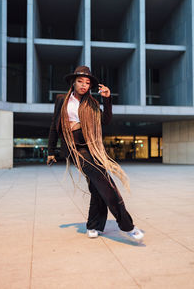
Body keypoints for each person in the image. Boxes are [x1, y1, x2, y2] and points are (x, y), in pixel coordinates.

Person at [47, 66, 144, 241]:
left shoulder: (91, 103)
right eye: (80, 81)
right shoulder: (62, 100)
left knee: (97, 187)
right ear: (73, 82)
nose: (84, 85)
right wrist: (51, 151)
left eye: (87, 82)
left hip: (92, 147)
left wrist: (107, 100)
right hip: (75, 149)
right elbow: (54, 125)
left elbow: (106, 121)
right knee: (105, 183)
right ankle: (127, 226)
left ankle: (94, 225)